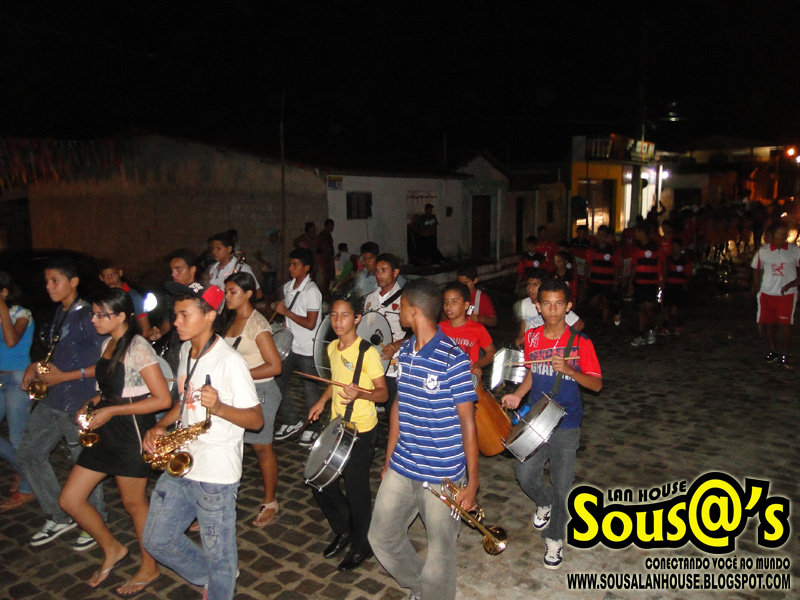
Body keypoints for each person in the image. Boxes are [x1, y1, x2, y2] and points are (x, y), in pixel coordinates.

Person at [142, 282, 262, 600]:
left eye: (184, 315)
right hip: (182, 462)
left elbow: (256, 419)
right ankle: (213, 578)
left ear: (209, 316)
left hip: (215, 475)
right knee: (156, 540)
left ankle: (219, 585)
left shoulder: (230, 362)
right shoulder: (186, 351)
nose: (176, 322)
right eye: (175, 314)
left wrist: (220, 408)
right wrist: (161, 427)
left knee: (219, 555)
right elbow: (184, 401)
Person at [368, 278, 479, 600]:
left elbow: (468, 423)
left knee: (440, 556)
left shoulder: (453, 358)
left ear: (414, 311)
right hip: (403, 465)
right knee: (381, 537)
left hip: (443, 475)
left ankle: (433, 592)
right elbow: (399, 406)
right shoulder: (405, 351)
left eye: (401, 306)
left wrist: (472, 484)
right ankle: (421, 587)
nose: (398, 311)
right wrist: (389, 459)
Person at [59, 288, 171, 594]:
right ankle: (113, 548)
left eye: (101, 314)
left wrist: (111, 410)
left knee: (134, 503)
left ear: (121, 316)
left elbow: (162, 399)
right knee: (70, 499)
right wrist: (90, 404)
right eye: (93, 314)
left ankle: (150, 566)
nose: (94, 319)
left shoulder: (138, 347)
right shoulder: (107, 343)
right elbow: (108, 390)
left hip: (131, 430)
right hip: (106, 429)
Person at [501, 277, 602, 570]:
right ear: (538, 306)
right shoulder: (532, 338)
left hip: (566, 422)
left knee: (562, 483)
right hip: (537, 418)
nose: (553, 310)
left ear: (568, 306)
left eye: (559, 304)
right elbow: (532, 373)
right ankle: (544, 502)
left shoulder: (580, 342)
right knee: (524, 474)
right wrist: (518, 394)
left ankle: (555, 537)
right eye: (547, 304)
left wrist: (571, 370)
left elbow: (596, 385)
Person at [17, 257, 106, 550]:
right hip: (53, 399)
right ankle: (60, 515)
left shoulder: (89, 316)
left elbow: (107, 363)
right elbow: (56, 353)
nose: (49, 286)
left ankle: (94, 522)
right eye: (47, 281)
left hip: (79, 401)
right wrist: (36, 366)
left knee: (85, 463)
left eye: (55, 280)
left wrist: (65, 376)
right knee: (29, 453)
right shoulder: (60, 312)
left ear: (73, 282)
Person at [307, 293, 388, 571]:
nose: (338, 321)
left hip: (362, 430)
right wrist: (321, 401)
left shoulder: (368, 353)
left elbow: (382, 394)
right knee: (319, 481)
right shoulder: (332, 348)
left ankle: (362, 544)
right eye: (333, 315)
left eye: (344, 315)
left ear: (357, 319)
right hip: (338, 426)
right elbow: (335, 382)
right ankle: (344, 528)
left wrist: (361, 393)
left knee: (357, 490)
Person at [221, 272, 282, 527]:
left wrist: (239, 374)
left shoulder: (257, 324)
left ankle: (270, 501)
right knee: (228, 445)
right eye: (226, 291)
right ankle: (218, 502)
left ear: (248, 294)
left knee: (261, 448)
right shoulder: (230, 319)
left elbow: (275, 366)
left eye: (233, 292)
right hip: (235, 393)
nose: (227, 296)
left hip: (261, 392)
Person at [273, 248, 322, 445]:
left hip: (308, 348)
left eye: (295, 265)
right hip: (290, 346)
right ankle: (292, 420)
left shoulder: (312, 291)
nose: (291, 268)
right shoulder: (288, 287)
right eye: (290, 264)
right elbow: (288, 316)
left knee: (310, 390)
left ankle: (313, 428)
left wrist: (286, 312)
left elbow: (311, 323)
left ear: (306, 268)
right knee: (277, 382)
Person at [0, 272, 35, 511]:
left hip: (18, 380)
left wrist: (2, 308)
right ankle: (23, 470)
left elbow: (11, 340)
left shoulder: (23, 314)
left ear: (4, 292)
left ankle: (28, 487)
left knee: (17, 437)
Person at [751, 221, 800, 365]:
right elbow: (756, 269)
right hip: (767, 293)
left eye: (786, 234)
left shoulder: (794, 250)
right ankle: (773, 350)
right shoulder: (764, 251)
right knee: (770, 324)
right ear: (773, 235)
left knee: (786, 325)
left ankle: (784, 352)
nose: (784, 237)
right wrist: (757, 288)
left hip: (787, 295)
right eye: (781, 234)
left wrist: (793, 284)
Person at [363, 253, 406, 414]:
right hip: (373, 362)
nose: (379, 275)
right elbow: (367, 328)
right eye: (377, 271)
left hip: (394, 364)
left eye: (384, 270)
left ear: (395, 272)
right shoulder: (370, 299)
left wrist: (396, 345)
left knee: (393, 410)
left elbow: (416, 332)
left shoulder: (405, 300)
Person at [439, 282, 496, 379]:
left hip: (468, 379)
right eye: (446, 301)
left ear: (466, 305)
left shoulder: (477, 329)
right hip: (445, 378)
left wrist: (479, 364)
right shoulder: (440, 328)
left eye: (454, 301)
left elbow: (492, 352)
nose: (448, 306)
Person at [516, 269, 583, 346]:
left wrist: (565, 342)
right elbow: (524, 324)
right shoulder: (525, 303)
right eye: (529, 285)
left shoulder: (554, 307)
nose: (530, 289)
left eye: (535, 285)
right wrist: (521, 337)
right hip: (532, 345)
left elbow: (579, 324)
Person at [628, 222, 663, 346]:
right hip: (639, 282)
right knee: (641, 308)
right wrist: (631, 283)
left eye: (637, 231)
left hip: (651, 282)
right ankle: (641, 334)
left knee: (649, 307)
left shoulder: (655, 247)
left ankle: (652, 329)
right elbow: (634, 266)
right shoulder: (637, 248)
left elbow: (662, 264)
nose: (635, 234)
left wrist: (661, 282)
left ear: (642, 233)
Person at [98, 260, 154, 338]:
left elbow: (146, 329)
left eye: (113, 274)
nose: (110, 279)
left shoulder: (133, 296)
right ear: (101, 278)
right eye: (106, 276)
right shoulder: (104, 298)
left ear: (120, 273)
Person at [583, 225, 621, 333]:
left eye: (603, 235)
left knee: (605, 302)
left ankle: (604, 324)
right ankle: (600, 316)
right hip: (594, 280)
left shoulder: (613, 250)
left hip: (608, 281)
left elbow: (617, 266)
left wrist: (616, 282)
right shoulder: (592, 249)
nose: (601, 237)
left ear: (607, 236)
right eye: (599, 234)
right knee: (593, 302)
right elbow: (588, 264)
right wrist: (585, 279)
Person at [206, 231, 261, 299]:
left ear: (229, 249)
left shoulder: (241, 268)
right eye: (213, 249)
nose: (214, 252)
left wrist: (239, 302)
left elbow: (258, 293)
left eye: (218, 248)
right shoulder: (212, 269)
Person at [660, 238, 693, 335]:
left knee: (680, 306)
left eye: (675, 246)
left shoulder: (685, 260)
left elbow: (689, 274)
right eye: (672, 246)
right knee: (667, 305)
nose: (673, 248)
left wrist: (686, 284)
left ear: (681, 248)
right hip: (669, 285)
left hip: (680, 286)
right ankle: (666, 325)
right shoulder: (668, 259)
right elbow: (664, 272)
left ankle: (679, 324)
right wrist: (663, 283)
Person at [254, 228, 281, 306]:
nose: (277, 237)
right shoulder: (266, 246)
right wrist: (265, 263)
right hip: (267, 271)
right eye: (275, 235)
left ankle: (269, 305)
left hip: (273, 270)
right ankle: (267, 305)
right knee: (267, 289)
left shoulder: (275, 245)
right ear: (270, 237)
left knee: (273, 289)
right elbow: (257, 255)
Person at [317, 219, 336, 299]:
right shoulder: (323, 236)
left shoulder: (328, 235)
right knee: (326, 279)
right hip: (324, 260)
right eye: (331, 225)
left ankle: (327, 295)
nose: (332, 227)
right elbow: (319, 250)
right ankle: (324, 296)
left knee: (330, 279)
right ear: (326, 226)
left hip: (329, 260)